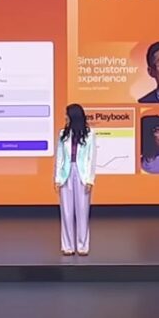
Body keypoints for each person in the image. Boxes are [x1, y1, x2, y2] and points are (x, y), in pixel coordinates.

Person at [53, 104, 97, 256]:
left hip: (82, 175)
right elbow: (59, 158)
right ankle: (67, 246)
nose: (65, 117)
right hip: (66, 174)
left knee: (82, 211)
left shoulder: (89, 134)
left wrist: (90, 179)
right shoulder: (63, 134)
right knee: (66, 212)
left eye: (67, 114)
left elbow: (91, 158)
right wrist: (57, 178)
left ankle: (82, 245)